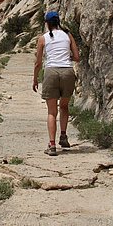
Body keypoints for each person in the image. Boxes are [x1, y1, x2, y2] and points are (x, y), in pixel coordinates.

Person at [32, 11, 80, 156]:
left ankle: (52, 145)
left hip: (51, 72)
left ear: (46, 23)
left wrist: (35, 79)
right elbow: (77, 57)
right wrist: (65, 57)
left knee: (52, 111)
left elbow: (38, 63)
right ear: (58, 21)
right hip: (67, 72)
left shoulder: (43, 38)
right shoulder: (68, 35)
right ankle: (63, 137)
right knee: (64, 106)